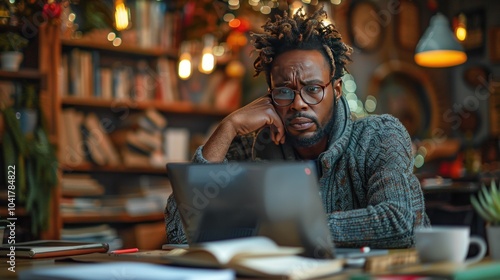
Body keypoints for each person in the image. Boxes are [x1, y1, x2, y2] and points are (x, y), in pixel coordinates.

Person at [165, 6, 430, 248]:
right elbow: (180, 230)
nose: (298, 104)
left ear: (336, 90)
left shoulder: (379, 136)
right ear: (269, 95)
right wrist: (228, 127)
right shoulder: (251, 148)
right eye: (283, 91)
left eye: (313, 89)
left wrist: (281, 230)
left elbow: (398, 222)